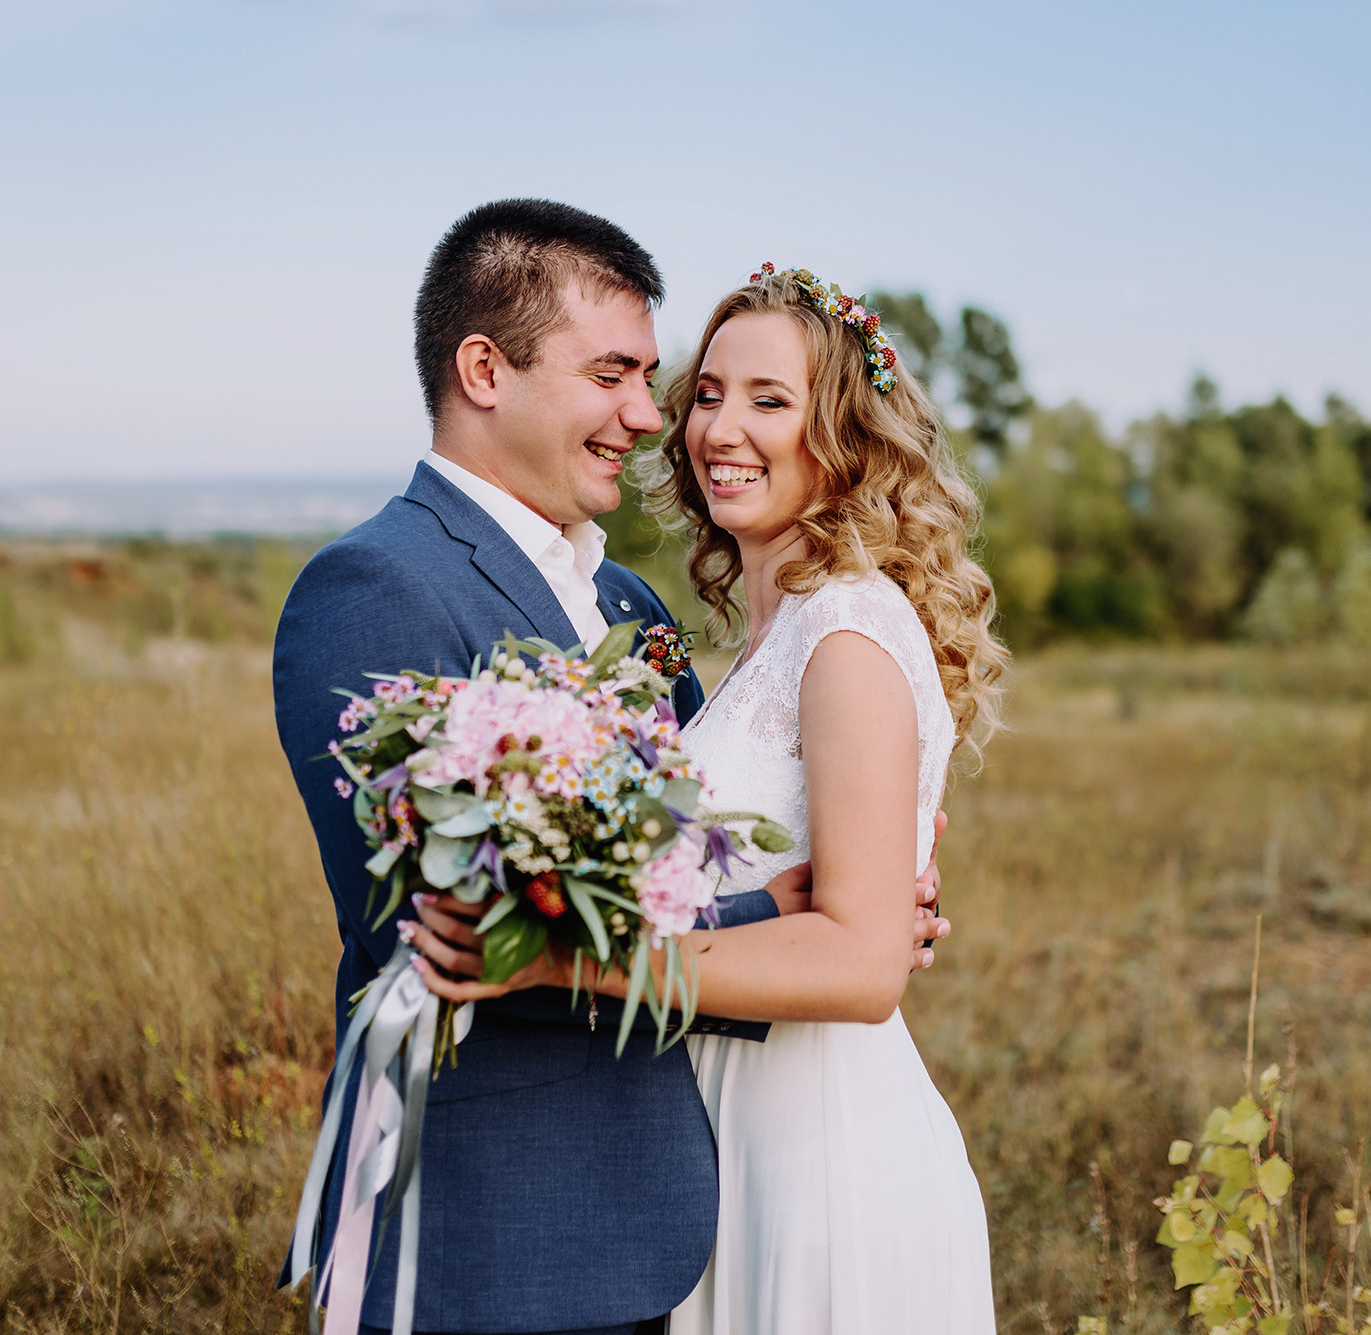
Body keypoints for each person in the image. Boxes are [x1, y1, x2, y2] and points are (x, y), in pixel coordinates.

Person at [272, 200, 949, 1335]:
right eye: (615, 376)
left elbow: (691, 847)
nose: (653, 417)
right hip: (501, 1240)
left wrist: (857, 915)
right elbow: (434, 929)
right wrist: (779, 917)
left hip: (685, 1209)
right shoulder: (375, 589)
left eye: (653, 382)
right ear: (484, 369)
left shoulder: (633, 609)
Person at [407, 265, 1006, 1332]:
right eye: (709, 395)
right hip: (719, 1146)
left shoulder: (848, 636)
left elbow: (864, 968)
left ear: (848, 438)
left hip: (820, 1163)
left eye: (770, 401)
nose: (720, 427)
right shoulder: (760, 638)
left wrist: (555, 959)